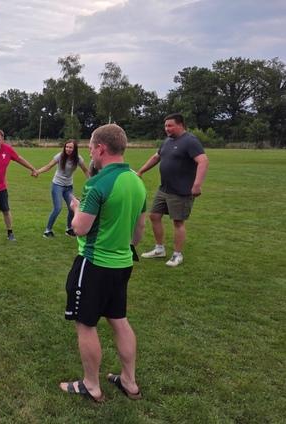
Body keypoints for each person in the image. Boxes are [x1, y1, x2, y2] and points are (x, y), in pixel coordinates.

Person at [59, 124, 146, 403]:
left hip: (94, 264)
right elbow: (138, 233)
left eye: (90, 148)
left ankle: (91, 385)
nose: (89, 154)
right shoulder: (137, 181)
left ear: (101, 148)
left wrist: (76, 208)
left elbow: (80, 228)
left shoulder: (97, 184)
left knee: (86, 324)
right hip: (123, 263)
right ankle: (129, 382)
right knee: (119, 320)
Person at [136, 113, 209, 267]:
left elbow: (203, 161)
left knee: (178, 222)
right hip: (164, 189)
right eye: (165, 126)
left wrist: (197, 185)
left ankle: (177, 255)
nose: (167, 129)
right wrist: (141, 171)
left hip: (181, 191)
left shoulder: (190, 141)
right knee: (154, 216)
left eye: (170, 125)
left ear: (180, 125)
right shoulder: (167, 141)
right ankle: (159, 249)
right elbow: (156, 157)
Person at [34, 139, 89, 237]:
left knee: (72, 208)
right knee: (58, 208)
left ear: (74, 149)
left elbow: (85, 170)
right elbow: (49, 166)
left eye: (70, 147)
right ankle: (48, 231)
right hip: (57, 185)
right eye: (66, 147)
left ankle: (69, 229)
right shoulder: (60, 156)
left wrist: (92, 181)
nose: (68, 149)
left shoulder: (78, 158)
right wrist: (38, 171)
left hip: (69, 187)